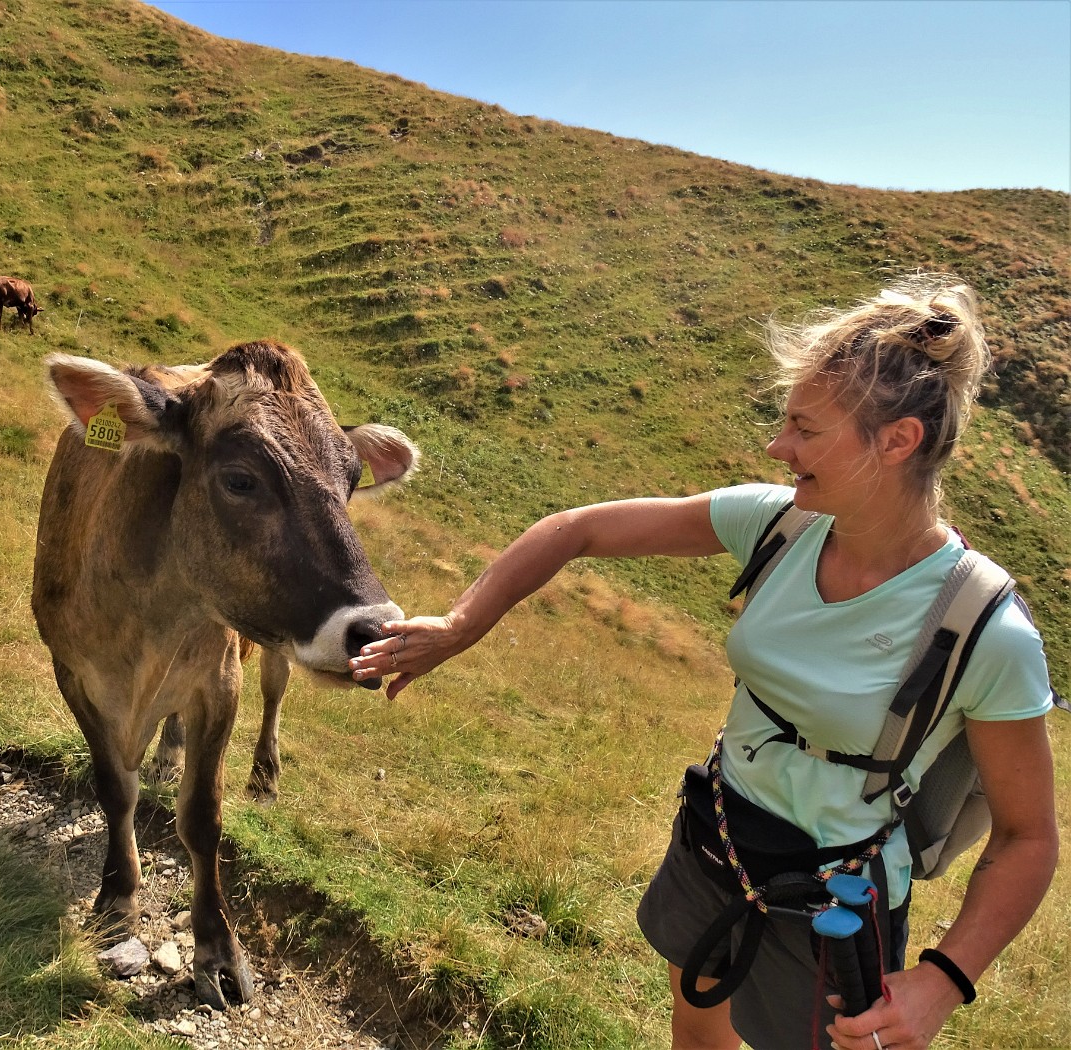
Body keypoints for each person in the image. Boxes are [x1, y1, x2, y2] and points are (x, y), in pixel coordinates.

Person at [348, 274, 1058, 1050]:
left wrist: (942, 982)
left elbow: (1028, 839)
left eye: (803, 429)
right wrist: (460, 625)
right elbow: (575, 529)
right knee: (696, 1025)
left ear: (896, 442)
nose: (777, 447)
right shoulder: (780, 525)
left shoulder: (985, 629)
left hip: (836, 903)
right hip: (718, 836)